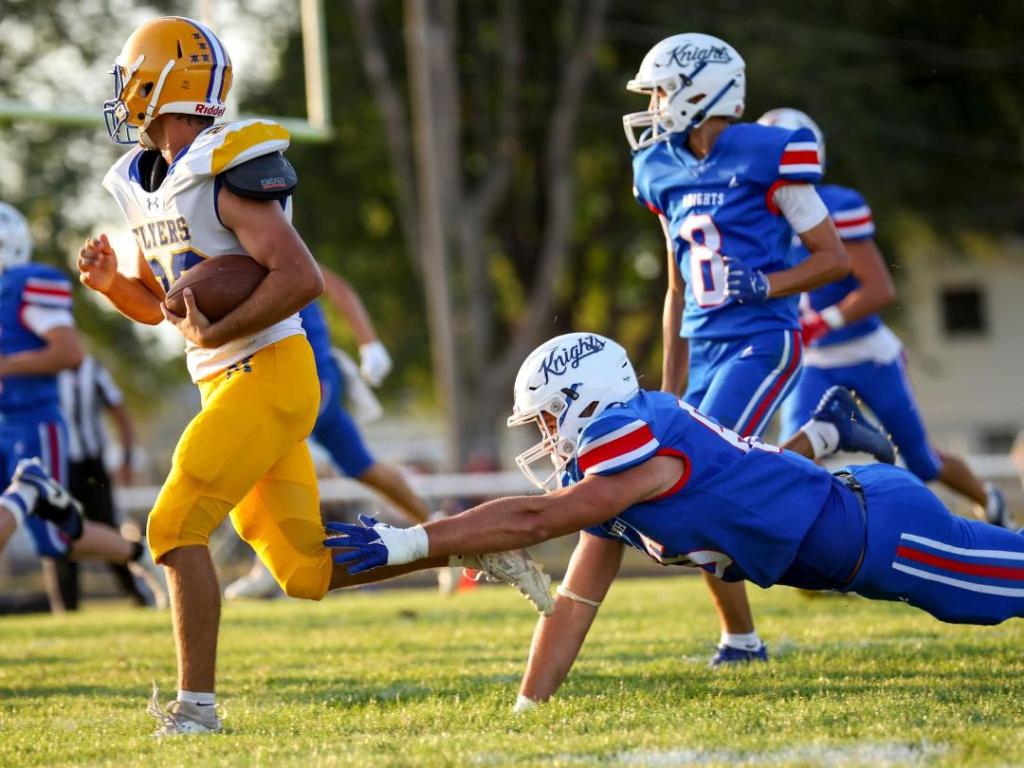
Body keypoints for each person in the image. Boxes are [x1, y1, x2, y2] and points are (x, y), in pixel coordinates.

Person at [79, 16, 551, 736]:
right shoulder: (142, 182)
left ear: (159, 83)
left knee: (172, 527)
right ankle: (467, 539)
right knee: (306, 571)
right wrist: (116, 286)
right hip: (226, 379)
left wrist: (219, 326)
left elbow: (298, 278)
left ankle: (195, 711)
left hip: (269, 371)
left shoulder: (224, 165)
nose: (123, 96)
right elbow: (163, 311)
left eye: (131, 81)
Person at [323, 332, 1024, 713]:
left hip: (883, 538)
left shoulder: (629, 444)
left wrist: (416, 539)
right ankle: (826, 433)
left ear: (583, 402)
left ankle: (825, 433)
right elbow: (572, 605)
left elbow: (541, 516)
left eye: (545, 416)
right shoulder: (617, 479)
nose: (542, 434)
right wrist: (528, 711)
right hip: (853, 520)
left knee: (1000, 591)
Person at [622, 34, 851, 664]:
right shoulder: (658, 166)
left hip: (762, 339)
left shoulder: (768, 153)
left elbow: (834, 258)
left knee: (699, 479)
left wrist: (767, 284)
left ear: (702, 89)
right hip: (703, 345)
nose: (656, 105)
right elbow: (674, 288)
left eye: (663, 90)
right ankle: (741, 638)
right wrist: (669, 388)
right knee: (696, 478)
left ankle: (745, 636)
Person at [759, 107, 1014, 530]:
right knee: (795, 458)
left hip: (865, 352)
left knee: (921, 459)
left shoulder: (836, 205)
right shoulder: (756, 215)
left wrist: (825, 321)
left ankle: (990, 501)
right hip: (815, 361)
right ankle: (809, 554)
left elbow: (880, 287)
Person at [224, 269, 430, 600]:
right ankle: (437, 528)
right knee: (362, 467)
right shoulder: (231, 245)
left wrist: (369, 342)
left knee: (267, 456)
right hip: (288, 372)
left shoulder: (264, 235)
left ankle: (269, 566)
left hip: (310, 374)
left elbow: (337, 287)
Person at [0, 203, 164, 599]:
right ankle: (137, 554)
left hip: (33, 424)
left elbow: (69, 352)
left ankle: (139, 557)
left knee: (56, 541)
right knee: (58, 540)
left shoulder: (24, 284)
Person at [53, 354, 154, 608]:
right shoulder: (47, 371)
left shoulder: (93, 369)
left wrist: (127, 458)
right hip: (60, 463)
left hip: (91, 464)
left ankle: (139, 594)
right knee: (60, 531)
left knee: (107, 525)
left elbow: (120, 414)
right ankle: (67, 606)